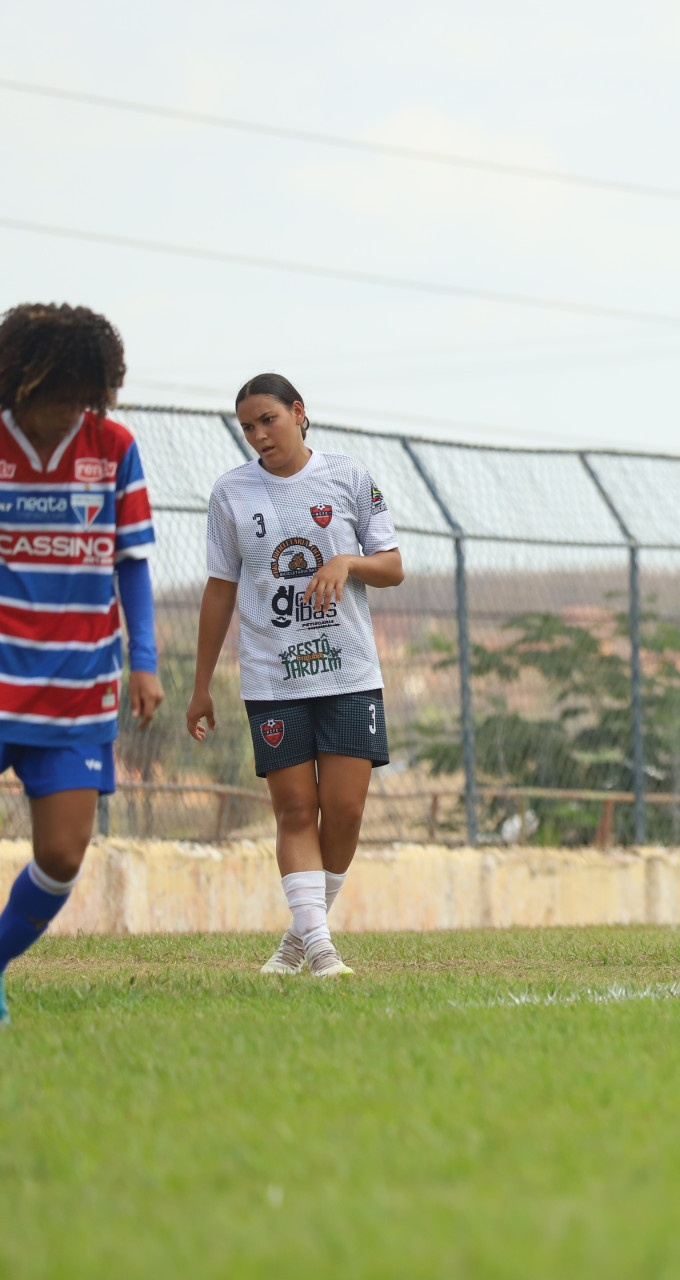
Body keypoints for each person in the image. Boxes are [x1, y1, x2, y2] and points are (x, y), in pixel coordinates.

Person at [185, 374, 403, 978]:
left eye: (268, 421)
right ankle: (322, 949)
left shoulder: (350, 477)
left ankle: (298, 937)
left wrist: (346, 560)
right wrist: (201, 685)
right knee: (294, 811)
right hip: (271, 677)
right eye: (248, 427)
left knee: (346, 811)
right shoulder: (231, 494)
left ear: (298, 414)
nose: (258, 435)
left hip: (348, 671)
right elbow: (220, 589)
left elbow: (392, 567)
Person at [0, 304, 161, 1025]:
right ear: (19, 383)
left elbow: (132, 565)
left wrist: (146, 662)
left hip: (77, 692)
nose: (70, 408)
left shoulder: (114, 446)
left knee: (62, 857)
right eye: (56, 392)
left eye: (83, 395)